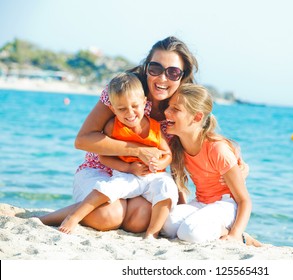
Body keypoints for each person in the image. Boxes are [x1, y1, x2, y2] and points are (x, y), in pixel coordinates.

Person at [39, 36, 198, 232]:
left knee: (139, 220)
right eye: (155, 68)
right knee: (109, 216)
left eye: (173, 72)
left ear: (182, 76)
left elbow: (183, 154)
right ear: (146, 68)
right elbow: (82, 140)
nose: (162, 78)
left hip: (141, 179)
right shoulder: (122, 92)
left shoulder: (181, 108)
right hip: (100, 170)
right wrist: (138, 150)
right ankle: (45, 218)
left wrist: (232, 155)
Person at [58, 72, 178, 238]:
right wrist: (129, 167)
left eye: (135, 106)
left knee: (167, 187)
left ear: (144, 103)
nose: (129, 113)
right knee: (109, 188)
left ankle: (153, 233)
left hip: (152, 176)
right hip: (127, 174)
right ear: (113, 109)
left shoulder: (155, 127)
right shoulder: (113, 127)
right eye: (122, 109)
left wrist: (161, 164)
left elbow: (168, 154)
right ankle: (73, 216)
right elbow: (103, 157)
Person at [161, 84, 261, 247]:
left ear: (197, 117)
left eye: (175, 109)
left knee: (189, 233)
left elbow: (244, 200)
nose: (166, 112)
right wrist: (183, 213)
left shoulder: (217, 149)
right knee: (166, 223)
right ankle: (203, 226)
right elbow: (178, 185)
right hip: (202, 202)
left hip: (227, 205)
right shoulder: (176, 146)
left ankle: (240, 236)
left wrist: (235, 235)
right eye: (168, 107)